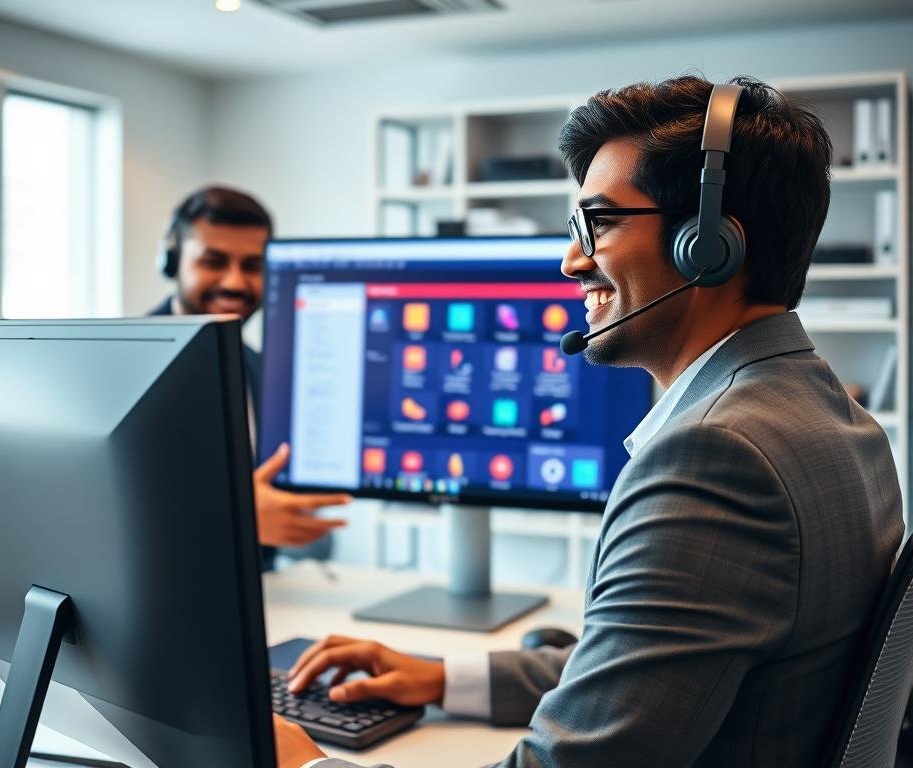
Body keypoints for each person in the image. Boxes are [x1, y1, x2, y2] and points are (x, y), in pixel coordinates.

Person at [274, 76, 905, 767]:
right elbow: (657, 671)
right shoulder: (836, 419)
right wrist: (445, 678)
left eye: (598, 222)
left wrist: (307, 765)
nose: (572, 260)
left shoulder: (717, 455)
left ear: (709, 243)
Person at [150, 186, 349, 566]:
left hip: (262, 600)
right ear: (173, 262)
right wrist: (232, 520)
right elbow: (89, 509)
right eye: (214, 261)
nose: (235, 283)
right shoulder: (119, 362)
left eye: (252, 266)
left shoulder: (264, 374)